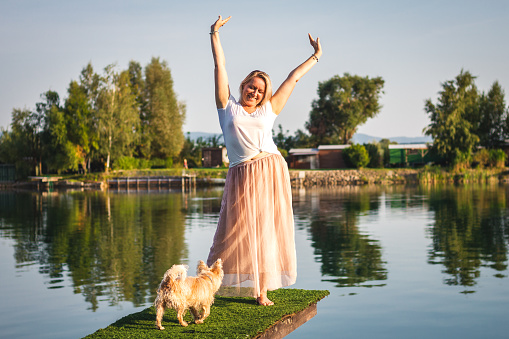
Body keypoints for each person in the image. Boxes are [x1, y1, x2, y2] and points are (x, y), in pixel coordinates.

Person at [206, 15, 322, 306]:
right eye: (251, 87)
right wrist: (214, 34)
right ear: (244, 85)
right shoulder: (226, 107)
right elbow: (220, 66)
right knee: (230, 231)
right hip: (240, 173)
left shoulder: (267, 110)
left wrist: (316, 56)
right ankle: (209, 284)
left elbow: (292, 79)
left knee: (264, 232)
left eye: (259, 90)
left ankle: (261, 291)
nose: (255, 92)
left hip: (269, 169)